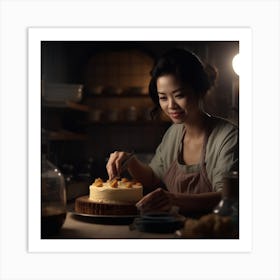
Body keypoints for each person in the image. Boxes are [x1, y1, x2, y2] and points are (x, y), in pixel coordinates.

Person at [106, 48, 238, 215]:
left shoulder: (228, 136)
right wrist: (129, 161)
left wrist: (173, 199)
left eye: (179, 95)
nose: (171, 106)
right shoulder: (173, 133)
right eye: (163, 97)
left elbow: (227, 197)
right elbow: (154, 178)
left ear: (200, 91)